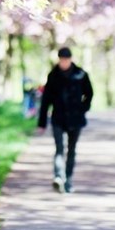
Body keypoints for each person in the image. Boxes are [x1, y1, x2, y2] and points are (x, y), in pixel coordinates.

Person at [37, 47, 93, 194]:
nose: (64, 62)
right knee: (59, 149)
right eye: (61, 60)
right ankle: (58, 177)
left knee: (72, 150)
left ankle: (68, 179)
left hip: (76, 118)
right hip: (58, 118)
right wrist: (42, 123)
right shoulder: (53, 76)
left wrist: (83, 108)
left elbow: (89, 93)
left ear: (70, 59)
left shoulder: (80, 75)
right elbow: (46, 100)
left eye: (66, 60)